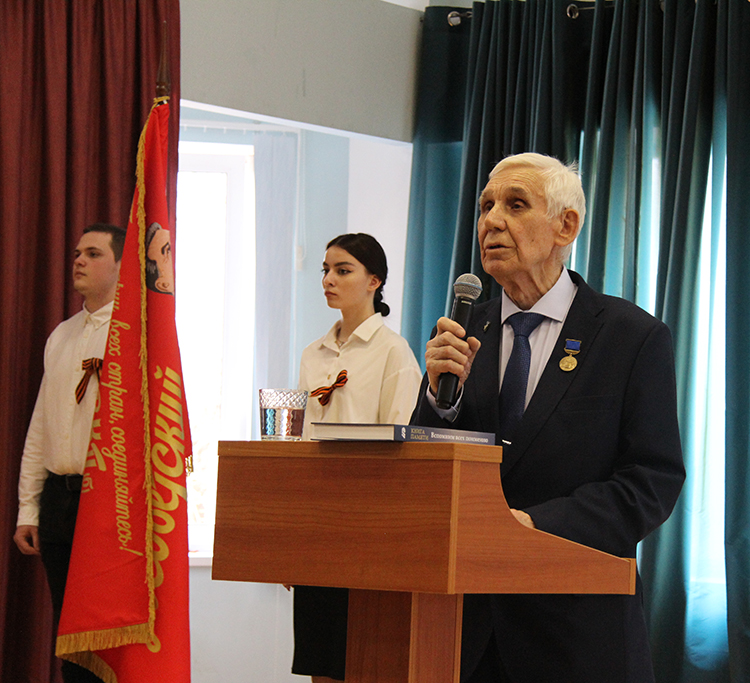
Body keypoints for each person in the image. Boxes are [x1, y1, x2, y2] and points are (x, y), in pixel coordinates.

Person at [412, 153, 686, 683]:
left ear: (567, 225)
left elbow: (651, 482)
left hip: (577, 636)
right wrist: (440, 399)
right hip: (466, 636)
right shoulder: (464, 332)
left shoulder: (631, 336)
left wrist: (536, 525)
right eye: (486, 206)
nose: (492, 221)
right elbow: (427, 471)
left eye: (515, 205)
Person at [292, 232, 422, 683]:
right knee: (321, 664)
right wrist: (294, 539)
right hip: (317, 526)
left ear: (374, 281)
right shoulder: (313, 354)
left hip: (367, 529)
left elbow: (401, 450)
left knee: (365, 663)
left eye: (342, 270)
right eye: (325, 270)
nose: (328, 279)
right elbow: (301, 447)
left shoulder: (394, 352)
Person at [14, 223, 126, 683]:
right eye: (78, 252)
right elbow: (41, 427)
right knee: (70, 636)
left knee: (108, 636)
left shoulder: (135, 338)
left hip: (111, 504)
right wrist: (28, 509)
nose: (78, 260)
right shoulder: (61, 335)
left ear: (121, 266)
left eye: (93, 253)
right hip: (59, 500)